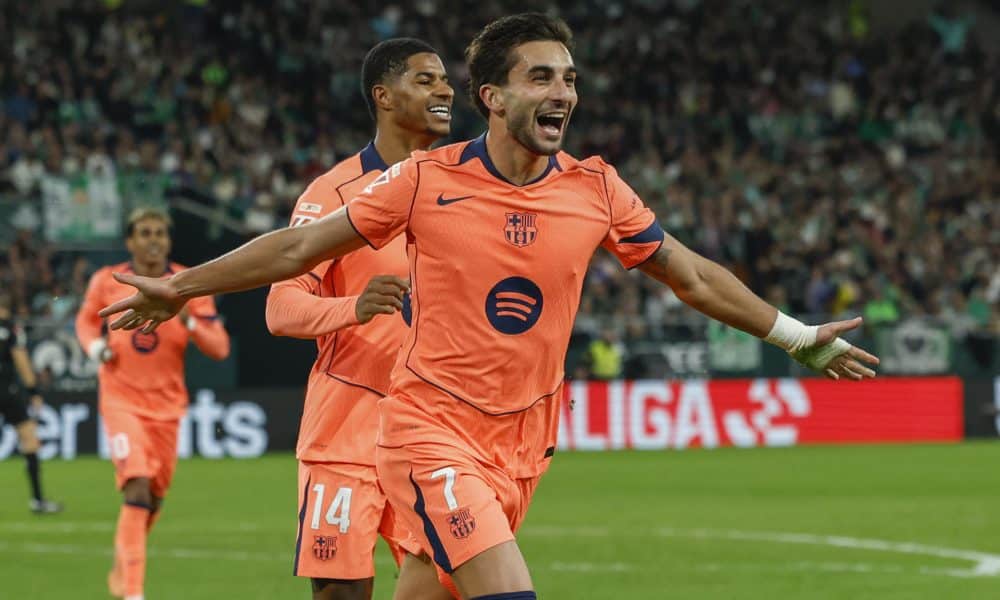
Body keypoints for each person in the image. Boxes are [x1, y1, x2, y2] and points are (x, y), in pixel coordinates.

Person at [98, 13, 880, 600]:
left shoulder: (596, 187)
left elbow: (691, 278)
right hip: (430, 428)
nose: (562, 93)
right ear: (493, 96)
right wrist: (184, 284)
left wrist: (796, 334)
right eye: (541, 77)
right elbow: (298, 252)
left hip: (526, 437)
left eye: (569, 78)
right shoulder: (425, 180)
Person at [264, 38, 455, 600]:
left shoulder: (465, 187)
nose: (445, 89)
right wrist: (355, 306)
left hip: (432, 431)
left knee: (445, 587)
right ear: (384, 96)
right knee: (341, 593)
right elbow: (280, 306)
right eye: (425, 80)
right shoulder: (334, 193)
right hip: (348, 429)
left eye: (445, 80)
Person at [76, 207, 231, 600]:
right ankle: (133, 592)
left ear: (169, 239)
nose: (153, 240)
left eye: (160, 232)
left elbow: (219, 348)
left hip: (167, 407)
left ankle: (122, 564)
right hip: (121, 399)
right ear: (130, 241)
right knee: (138, 488)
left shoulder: (190, 285)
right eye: (144, 232)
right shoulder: (106, 280)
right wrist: (96, 348)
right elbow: (83, 322)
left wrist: (189, 320)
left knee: (153, 499)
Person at [0, 291, 62, 514]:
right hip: (7, 391)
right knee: (29, 440)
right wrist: (33, 391)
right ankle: (37, 500)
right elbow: (21, 360)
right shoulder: (11, 328)